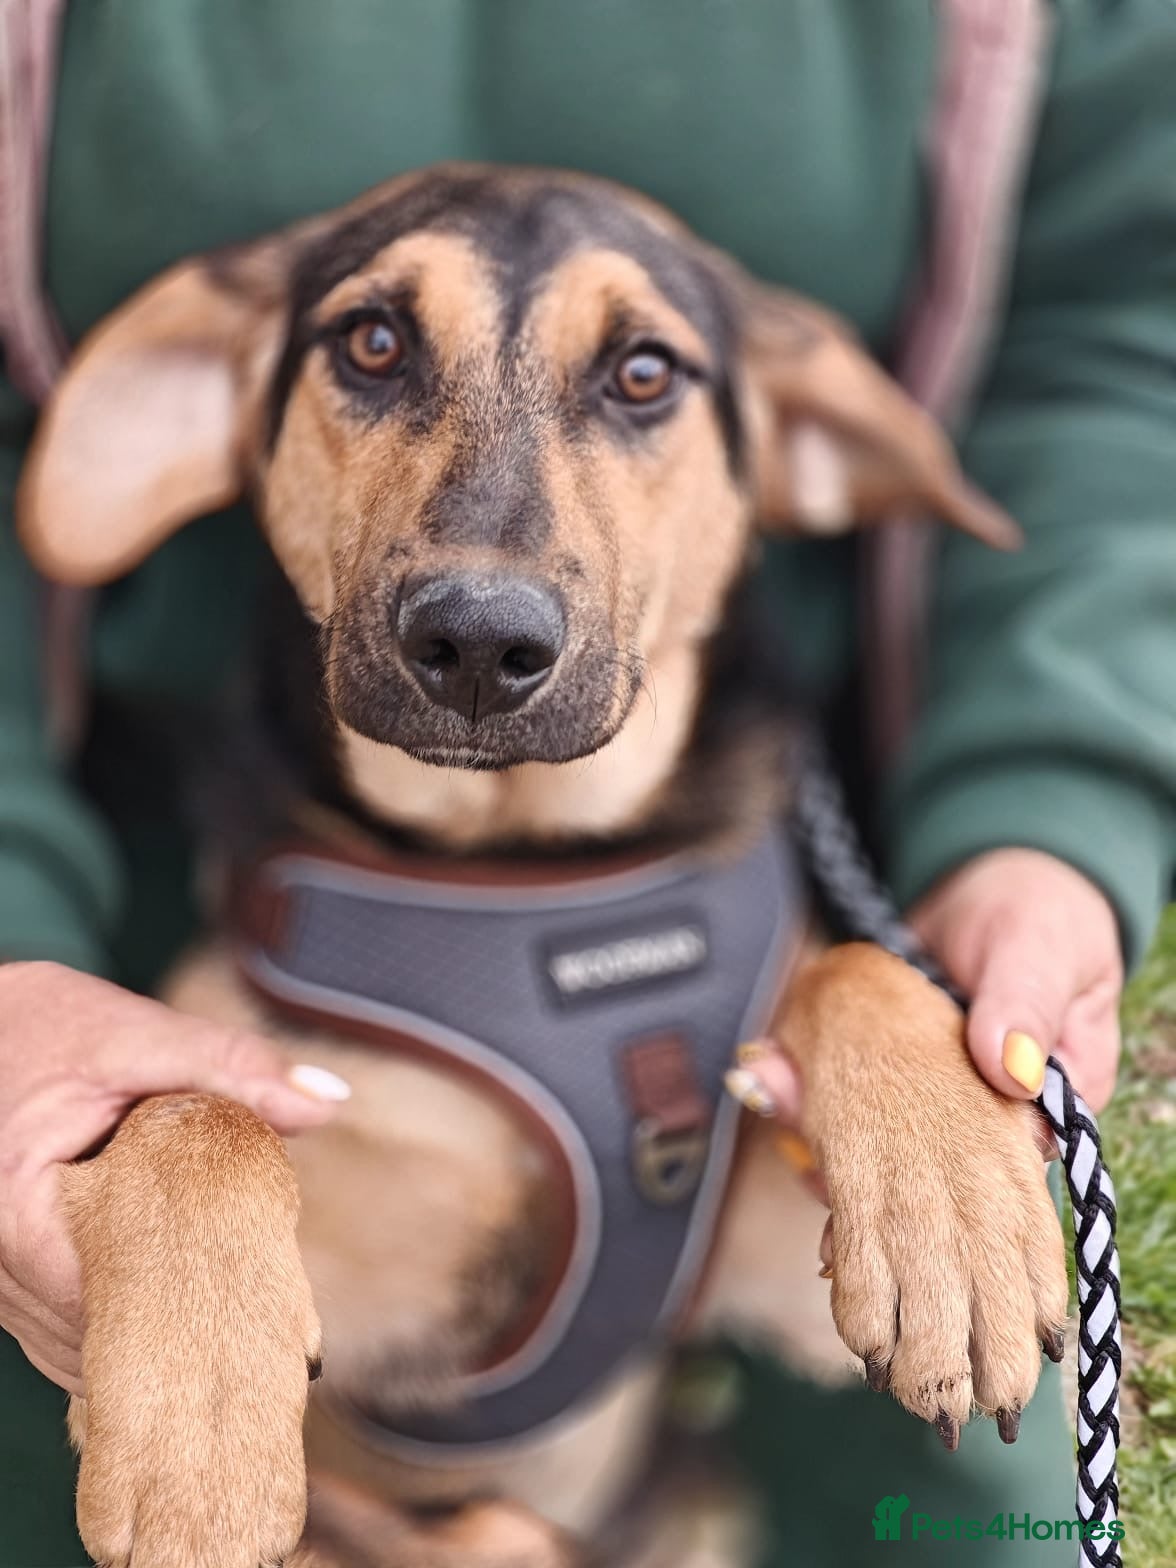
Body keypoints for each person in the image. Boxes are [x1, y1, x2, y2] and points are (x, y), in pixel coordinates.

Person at [1, 2, 1173, 1562]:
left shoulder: (797, 975)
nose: (486, 577)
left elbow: (1118, 321)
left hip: (683, 1414)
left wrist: (1024, 836)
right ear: (228, 411)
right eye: (373, 348)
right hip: (152, 901)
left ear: (795, 457)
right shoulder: (238, 983)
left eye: (637, 380)